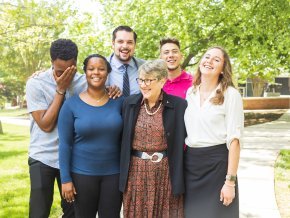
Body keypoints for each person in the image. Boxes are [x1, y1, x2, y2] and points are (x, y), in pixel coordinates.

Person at [58, 54, 123, 217]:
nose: (96, 72)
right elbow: (65, 144)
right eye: (91, 69)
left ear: (108, 72)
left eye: (101, 69)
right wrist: (65, 179)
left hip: (114, 175)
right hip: (82, 176)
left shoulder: (120, 102)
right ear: (85, 72)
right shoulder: (71, 105)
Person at [119, 59, 187, 217]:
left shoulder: (179, 106)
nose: (143, 84)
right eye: (141, 80)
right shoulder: (129, 104)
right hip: (136, 172)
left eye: (149, 80)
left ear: (162, 80)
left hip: (165, 172)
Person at [26, 39, 84, 218]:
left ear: (75, 62)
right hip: (42, 156)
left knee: (74, 212)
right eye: (60, 71)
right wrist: (61, 90)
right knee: (38, 211)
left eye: (70, 71)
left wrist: (113, 89)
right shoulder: (36, 83)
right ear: (51, 62)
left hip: (74, 158)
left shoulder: (84, 82)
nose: (65, 75)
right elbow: (45, 124)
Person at [183, 46, 244, 218]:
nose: (209, 61)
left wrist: (230, 182)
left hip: (217, 166)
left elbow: (235, 140)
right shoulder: (191, 92)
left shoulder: (230, 95)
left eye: (216, 59)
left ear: (223, 69)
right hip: (191, 165)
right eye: (207, 56)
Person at [107, 25, 145, 96]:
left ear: (135, 45)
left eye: (129, 42)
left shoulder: (145, 66)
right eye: (120, 42)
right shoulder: (101, 66)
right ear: (113, 44)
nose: (125, 46)